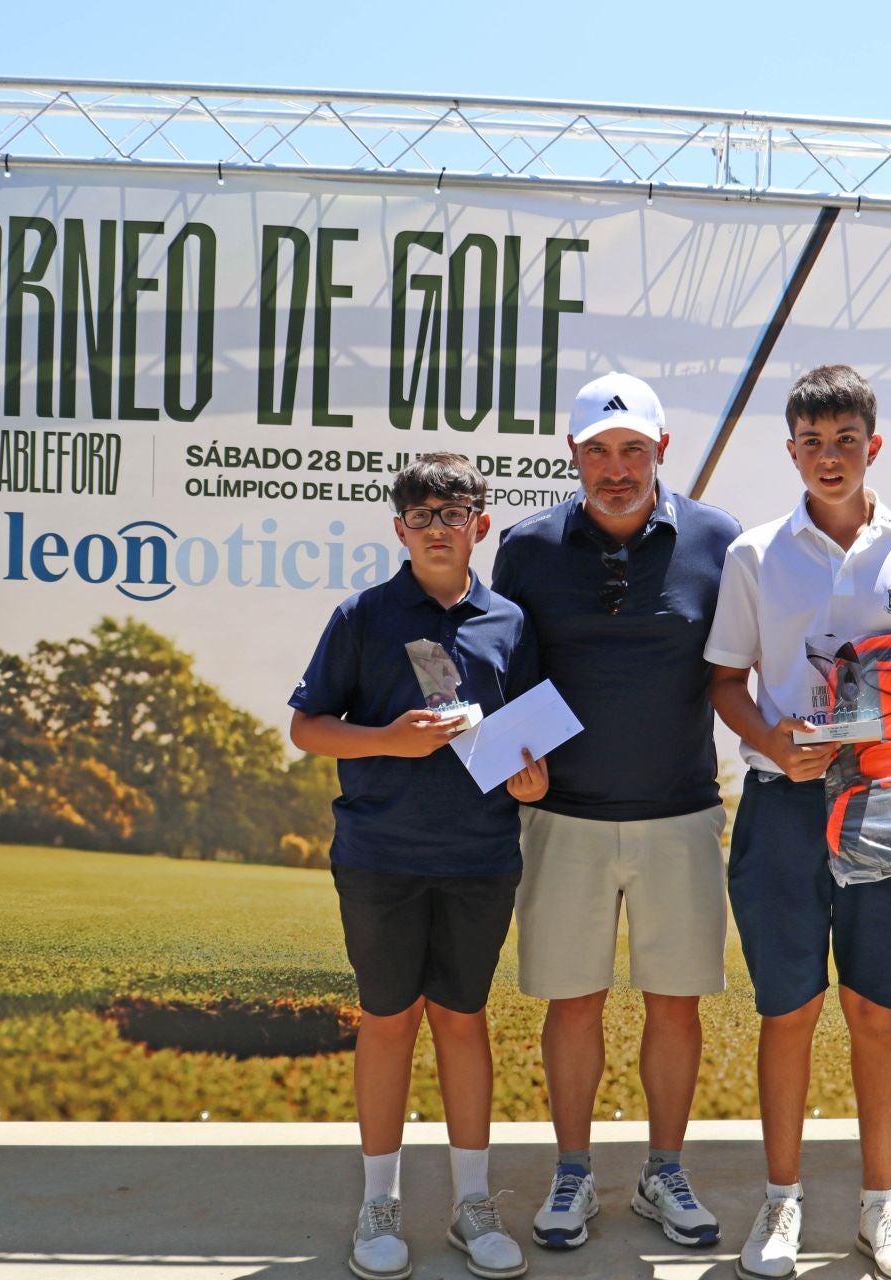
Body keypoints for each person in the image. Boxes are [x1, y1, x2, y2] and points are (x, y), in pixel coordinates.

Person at [703, 365, 891, 1280]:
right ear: (791, 452)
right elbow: (726, 682)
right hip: (782, 810)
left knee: (875, 1010)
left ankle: (882, 1211)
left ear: (873, 446)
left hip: (886, 812)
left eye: (844, 440)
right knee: (790, 1010)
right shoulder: (754, 554)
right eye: (811, 443)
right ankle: (780, 1207)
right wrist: (775, 740)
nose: (828, 457)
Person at [491, 372, 742, 1252]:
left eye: (633, 448)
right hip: (564, 819)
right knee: (574, 1004)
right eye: (597, 450)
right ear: (573, 455)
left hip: (680, 815)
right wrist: (515, 766)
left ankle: (663, 1171)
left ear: (661, 451)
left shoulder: (719, 539)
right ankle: (572, 1173)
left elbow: (734, 675)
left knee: (677, 1006)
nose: (615, 468)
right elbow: (509, 677)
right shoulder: (525, 548)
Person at [289, 452, 549, 1280]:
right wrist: (386, 742)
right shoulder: (363, 615)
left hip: (479, 857)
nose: (438, 528)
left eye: (454, 513)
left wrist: (532, 774)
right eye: (421, 515)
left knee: (463, 1021)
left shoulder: (509, 620)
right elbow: (307, 727)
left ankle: (473, 1205)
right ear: (399, 528)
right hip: (380, 859)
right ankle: (380, 1205)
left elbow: (529, 743)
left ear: (481, 525)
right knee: (390, 1021)